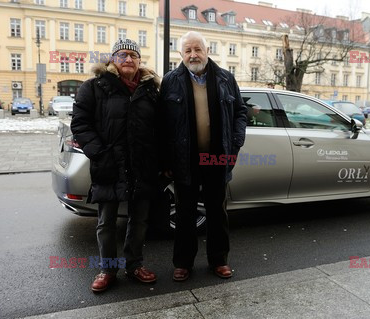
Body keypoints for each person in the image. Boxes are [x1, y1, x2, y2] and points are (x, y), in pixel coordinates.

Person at [71, 38, 160, 292]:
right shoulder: (94, 86)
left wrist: (160, 161)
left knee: (139, 220)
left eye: (133, 55)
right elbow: (80, 123)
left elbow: (160, 128)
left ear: (140, 61)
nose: (128, 59)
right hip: (109, 164)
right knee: (106, 221)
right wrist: (99, 153)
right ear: (112, 59)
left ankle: (134, 265)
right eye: (122, 55)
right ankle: (108, 269)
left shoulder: (150, 89)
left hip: (142, 165)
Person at [160, 31, 247, 281]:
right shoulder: (171, 81)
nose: (193, 54)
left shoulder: (225, 78)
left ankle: (219, 260)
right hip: (184, 159)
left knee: (217, 211)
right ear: (181, 54)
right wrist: (166, 161)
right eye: (187, 50)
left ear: (207, 51)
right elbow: (162, 123)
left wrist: (235, 144)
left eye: (197, 49)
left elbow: (240, 112)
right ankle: (183, 263)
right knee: (185, 213)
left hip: (217, 158)